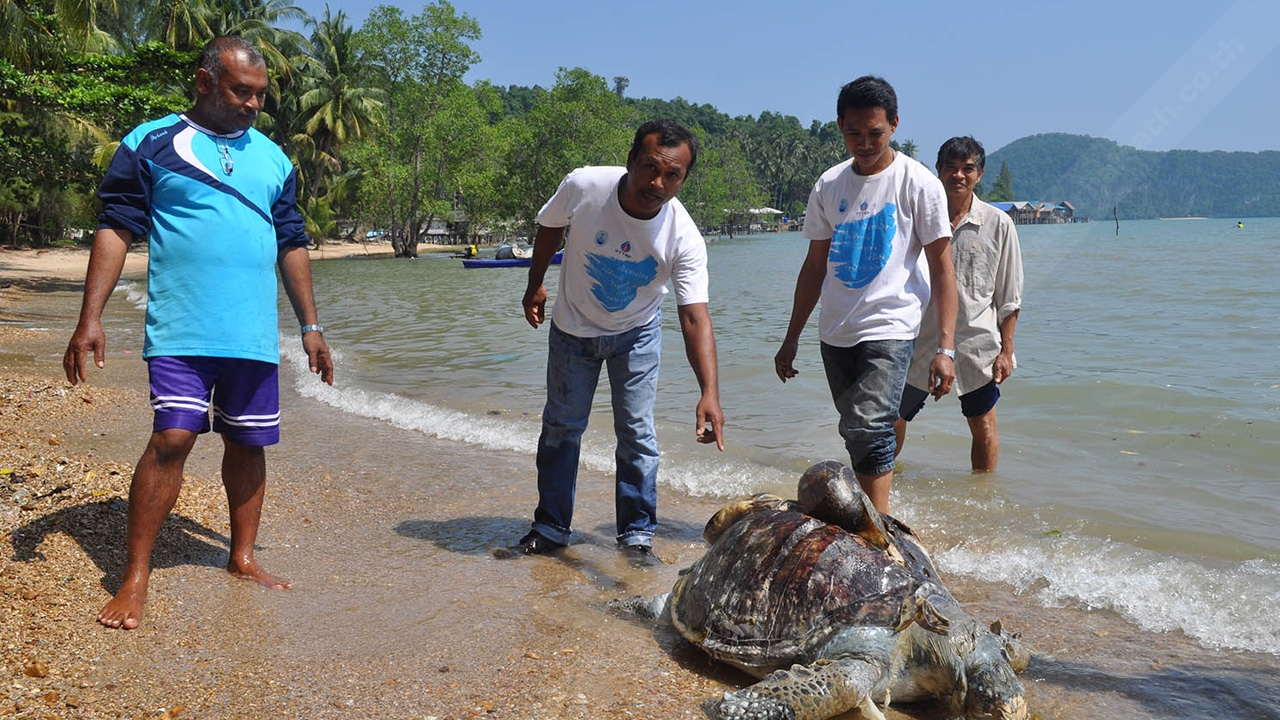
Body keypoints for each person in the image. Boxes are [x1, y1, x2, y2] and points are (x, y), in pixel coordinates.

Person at [62, 36, 334, 629]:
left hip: (253, 334)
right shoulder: (151, 142)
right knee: (173, 440)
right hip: (183, 328)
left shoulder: (274, 158)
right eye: (243, 91)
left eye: (260, 95)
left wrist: (311, 326)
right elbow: (117, 227)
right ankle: (134, 577)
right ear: (206, 81)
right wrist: (91, 318)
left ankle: (241, 558)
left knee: (249, 443)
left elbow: (292, 242)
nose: (254, 104)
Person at [518, 119, 725, 556]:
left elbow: (693, 316)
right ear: (630, 160)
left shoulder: (684, 237)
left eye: (673, 175)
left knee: (636, 433)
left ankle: (636, 535)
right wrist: (535, 282)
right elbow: (551, 225)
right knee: (561, 427)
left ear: (683, 179)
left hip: (637, 335)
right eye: (650, 167)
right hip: (572, 328)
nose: (658, 182)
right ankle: (552, 526)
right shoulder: (585, 185)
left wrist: (709, 391)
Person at [774, 76, 956, 515]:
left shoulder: (918, 182)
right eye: (853, 133)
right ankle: (866, 519)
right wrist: (791, 336)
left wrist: (946, 347)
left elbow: (942, 267)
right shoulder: (829, 185)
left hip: (892, 326)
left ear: (894, 124)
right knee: (854, 431)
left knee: (871, 426)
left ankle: (878, 530)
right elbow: (814, 267)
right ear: (840, 127)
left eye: (875, 132)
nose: (864, 142)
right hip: (835, 330)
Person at [895, 137, 1023, 472]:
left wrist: (1007, 351)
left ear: (979, 174)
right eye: (950, 168)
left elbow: (1009, 296)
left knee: (983, 427)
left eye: (967, 169)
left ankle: (981, 504)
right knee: (893, 417)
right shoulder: (915, 218)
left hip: (977, 344)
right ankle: (880, 491)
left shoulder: (998, 224)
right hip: (920, 339)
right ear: (938, 171)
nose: (958, 176)